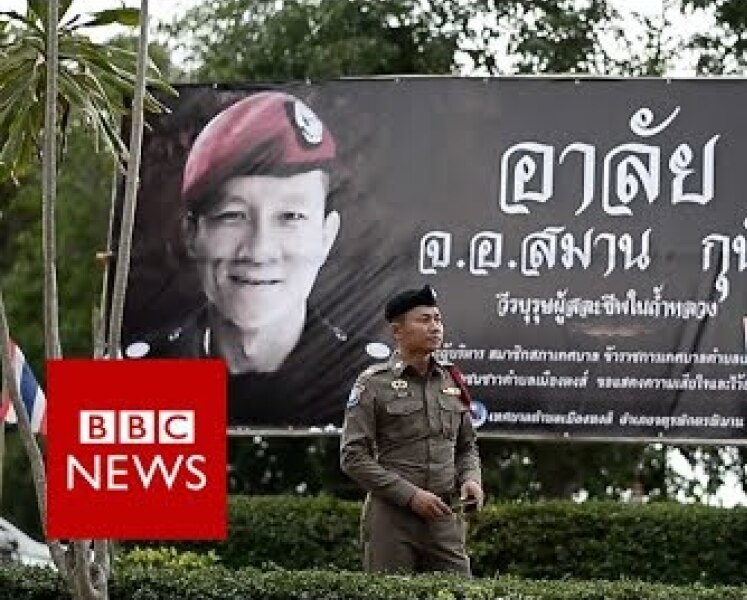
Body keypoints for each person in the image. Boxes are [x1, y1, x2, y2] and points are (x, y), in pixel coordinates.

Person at [125, 91, 389, 426]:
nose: (259, 250)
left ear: (326, 236)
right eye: (232, 216)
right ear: (191, 234)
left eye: (290, 217)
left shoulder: (384, 391)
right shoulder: (134, 381)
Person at [339, 284, 483, 575]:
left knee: (459, 592)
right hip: (392, 518)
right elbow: (353, 456)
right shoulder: (373, 383)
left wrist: (471, 479)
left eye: (438, 319)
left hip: (444, 516)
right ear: (398, 331)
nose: (435, 327)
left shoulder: (451, 380)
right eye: (424, 320)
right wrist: (411, 496)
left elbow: (466, 446)